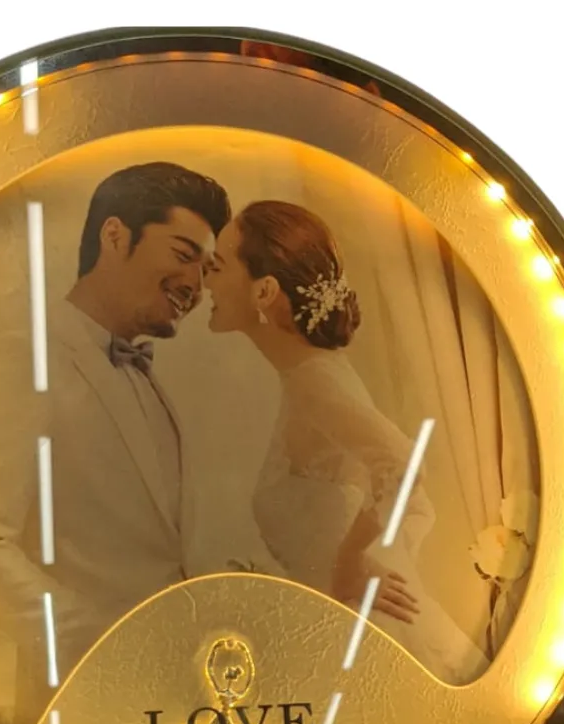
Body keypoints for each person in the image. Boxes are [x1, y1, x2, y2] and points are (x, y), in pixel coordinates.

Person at [0, 162, 231, 724]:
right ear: (115, 235)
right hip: (80, 709)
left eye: (206, 268)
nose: (196, 284)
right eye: (183, 254)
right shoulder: (26, 356)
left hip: (179, 709)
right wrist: (101, 644)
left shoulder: (151, 378)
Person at [204, 200, 489, 685]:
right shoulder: (308, 376)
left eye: (218, 266)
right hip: (347, 624)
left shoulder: (315, 380)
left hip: (370, 631)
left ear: (264, 291)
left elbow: (405, 467)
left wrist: (352, 561)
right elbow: (411, 503)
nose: (206, 281)